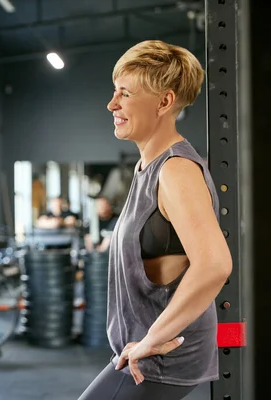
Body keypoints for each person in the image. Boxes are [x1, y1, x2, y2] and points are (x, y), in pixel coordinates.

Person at [78, 40, 232, 400]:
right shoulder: (147, 166)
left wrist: (152, 339)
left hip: (164, 353)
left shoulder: (176, 170)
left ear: (164, 101)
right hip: (144, 347)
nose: (112, 104)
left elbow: (214, 265)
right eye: (114, 92)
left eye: (124, 94)